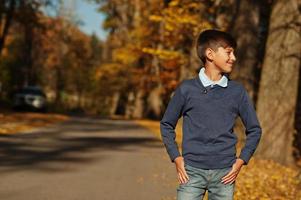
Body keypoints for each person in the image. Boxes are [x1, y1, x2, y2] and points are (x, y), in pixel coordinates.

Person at [160, 29, 262, 200]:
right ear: (210, 54)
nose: (234, 58)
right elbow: (166, 124)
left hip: (225, 173)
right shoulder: (187, 89)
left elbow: (255, 129)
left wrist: (241, 161)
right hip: (191, 171)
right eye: (229, 52)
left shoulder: (237, 91)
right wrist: (176, 158)